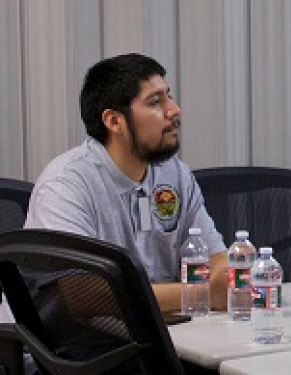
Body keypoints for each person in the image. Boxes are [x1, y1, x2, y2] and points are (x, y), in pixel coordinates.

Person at [25, 53, 229, 313]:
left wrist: (226, 279)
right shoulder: (65, 185)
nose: (174, 111)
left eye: (169, 96)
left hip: (158, 332)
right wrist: (201, 293)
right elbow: (82, 294)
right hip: (73, 345)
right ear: (113, 121)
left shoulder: (174, 174)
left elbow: (216, 257)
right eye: (155, 102)